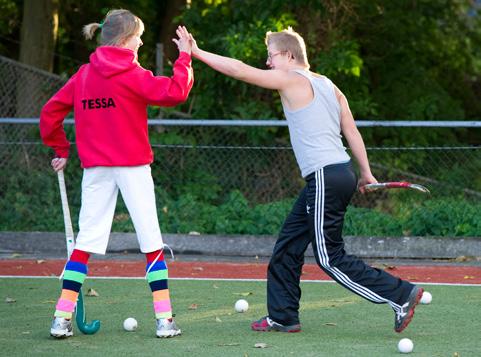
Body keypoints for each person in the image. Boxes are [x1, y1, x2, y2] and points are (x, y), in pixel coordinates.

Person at [187, 26, 423, 333]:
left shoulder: (292, 79)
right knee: (288, 246)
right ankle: (283, 316)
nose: (268, 63)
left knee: (329, 257)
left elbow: (240, 70)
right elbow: (350, 130)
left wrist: (196, 52)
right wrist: (365, 172)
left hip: (326, 175)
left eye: (271, 56)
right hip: (335, 174)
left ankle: (401, 294)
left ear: (287, 55)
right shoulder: (328, 84)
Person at [40, 10, 194, 338]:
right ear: (125, 40)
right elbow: (174, 93)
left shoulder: (83, 75)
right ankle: (165, 321)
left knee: (84, 243)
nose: (140, 41)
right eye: (138, 36)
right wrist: (184, 58)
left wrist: (61, 148)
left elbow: (50, 112)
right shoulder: (133, 73)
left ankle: (60, 319)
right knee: (151, 240)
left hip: (96, 169)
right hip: (134, 167)